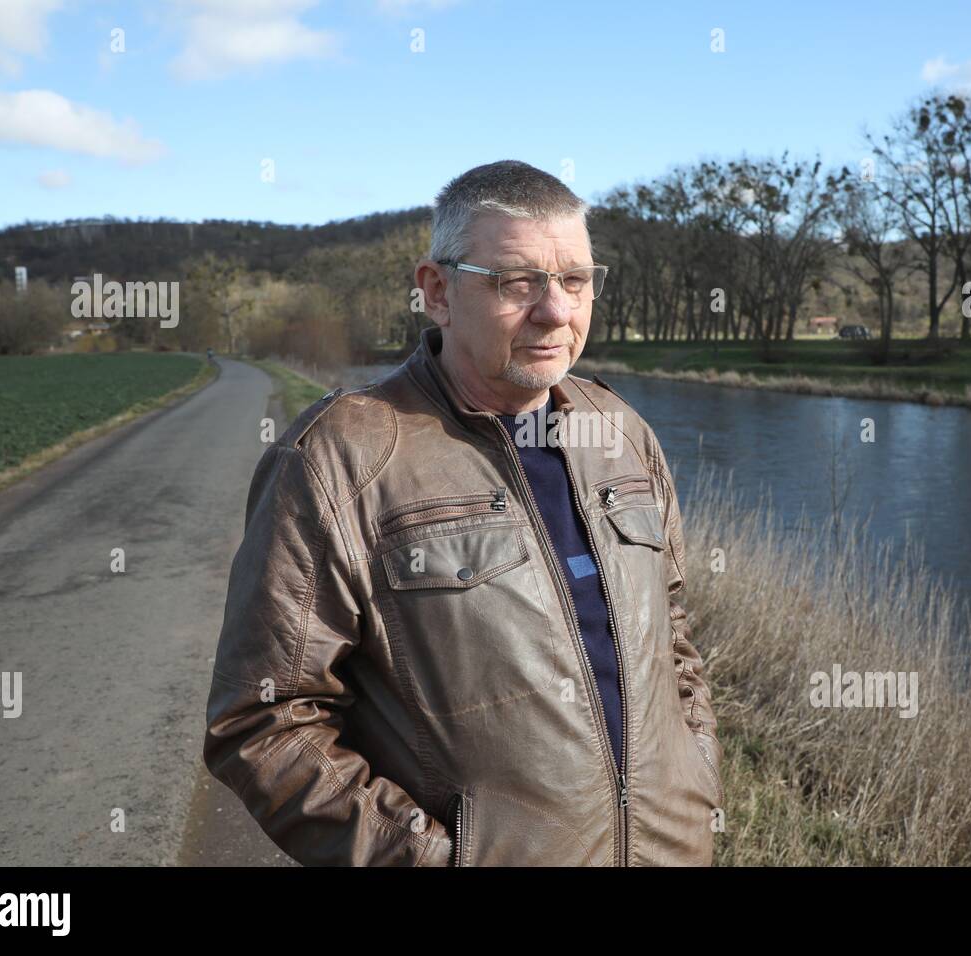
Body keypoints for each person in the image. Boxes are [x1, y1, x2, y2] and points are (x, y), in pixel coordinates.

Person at [203, 160, 723, 866]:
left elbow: (674, 635)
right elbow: (263, 718)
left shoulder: (623, 433)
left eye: (575, 280)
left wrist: (697, 776)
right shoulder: (338, 458)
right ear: (438, 292)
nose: (556, 311)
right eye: (517, 282)